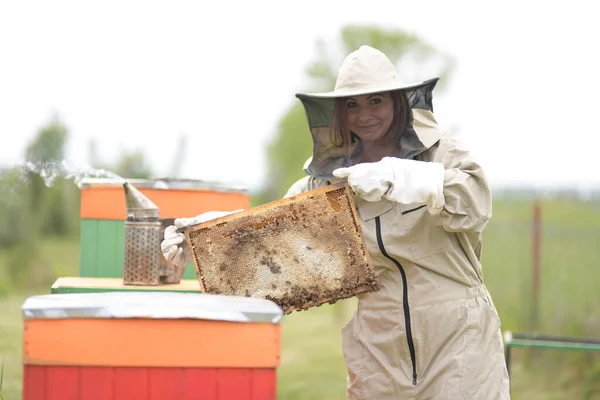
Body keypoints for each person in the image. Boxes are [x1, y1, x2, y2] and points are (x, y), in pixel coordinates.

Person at [162, 45, 510, 399]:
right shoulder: (329, 177)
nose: (365, 114)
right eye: (353, 105)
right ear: (339, 112)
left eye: (376, 101)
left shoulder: (440, 151)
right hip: (379, 343)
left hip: (456, 336)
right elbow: (276, 234)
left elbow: (476, 201)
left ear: (398, 102)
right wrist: (207, 237)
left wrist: (402, 177)